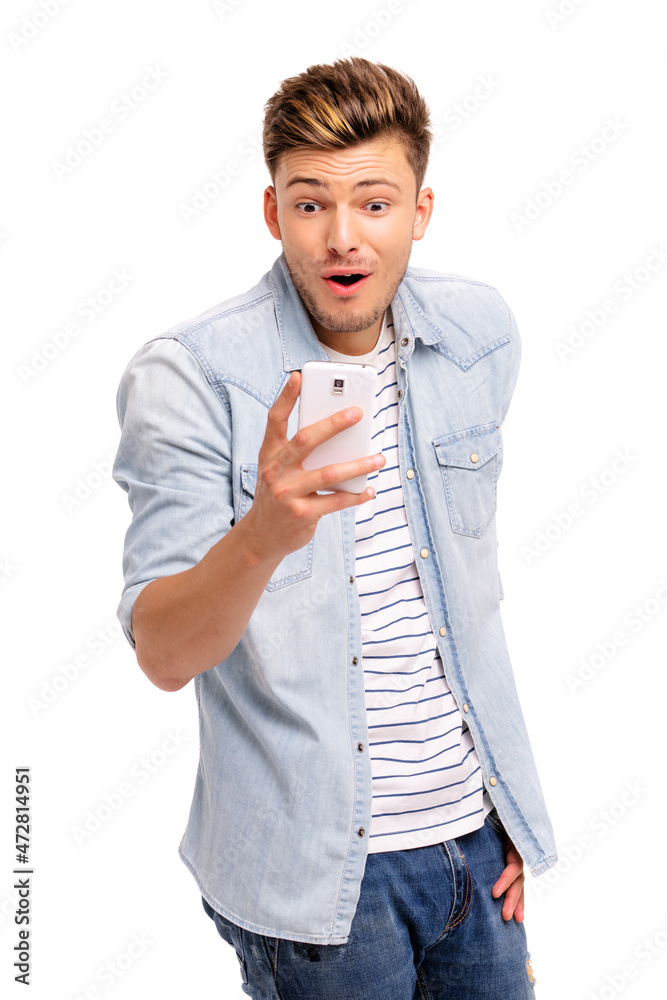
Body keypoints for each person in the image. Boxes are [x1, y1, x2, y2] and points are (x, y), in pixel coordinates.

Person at [113, 56, 557, 999]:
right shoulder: (189, 378)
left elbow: (465, 602)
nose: (342, 237)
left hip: (477, 851)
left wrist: (510, 808)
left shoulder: (478, 336)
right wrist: (264, 533)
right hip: (317, 890)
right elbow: (161, 650)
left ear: (421, 211)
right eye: (310, 204)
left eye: (375, 203)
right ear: (272, 213)